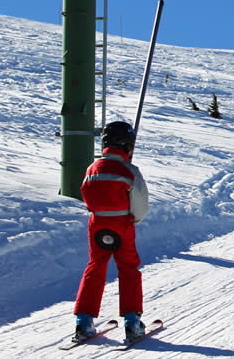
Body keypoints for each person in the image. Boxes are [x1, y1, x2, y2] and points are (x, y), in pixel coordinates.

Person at [73, 121, 149, 343]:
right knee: (128, 268)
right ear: (127, 145)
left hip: (97, 223)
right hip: (121, 223)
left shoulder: (92, 168)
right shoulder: (129, 171)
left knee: (95, 267)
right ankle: (132, 322)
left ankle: (83, 322)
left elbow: (86, 195)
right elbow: (140, 205)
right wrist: (133, 219)